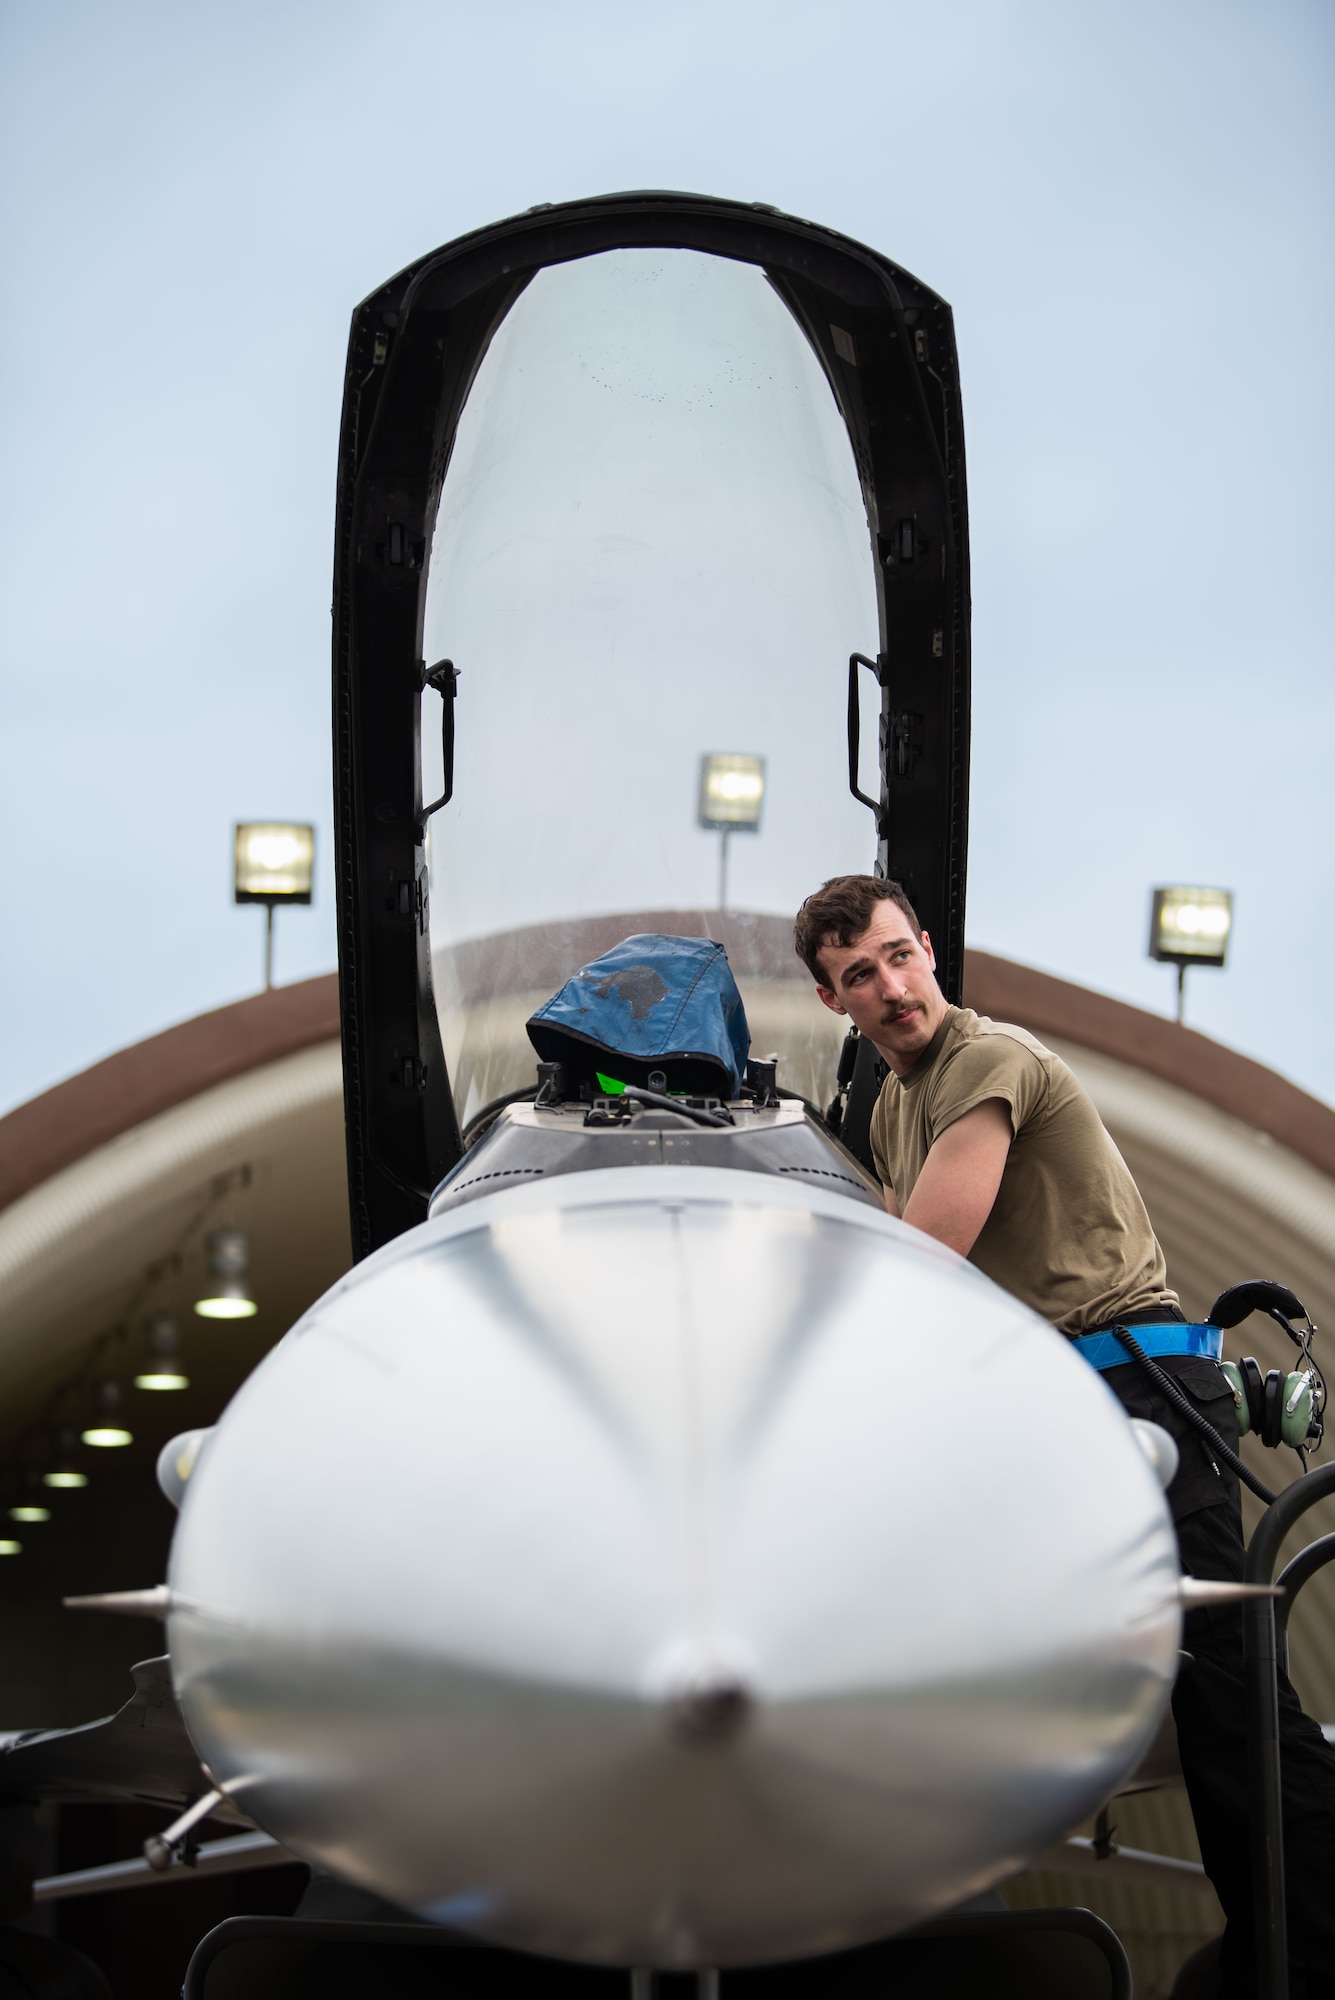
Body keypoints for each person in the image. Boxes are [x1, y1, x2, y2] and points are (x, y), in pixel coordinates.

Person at [793, 872, 1335, 2000]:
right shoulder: (897, 1103)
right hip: (1053, 1409)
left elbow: (921, 1265)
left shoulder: (987, 1062)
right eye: (859, 974)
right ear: (831, 997)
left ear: (928, 947)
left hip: (1142, 1395)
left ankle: (1306, 1950)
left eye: (898, 956)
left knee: (1224, 1687)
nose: (891, 987)